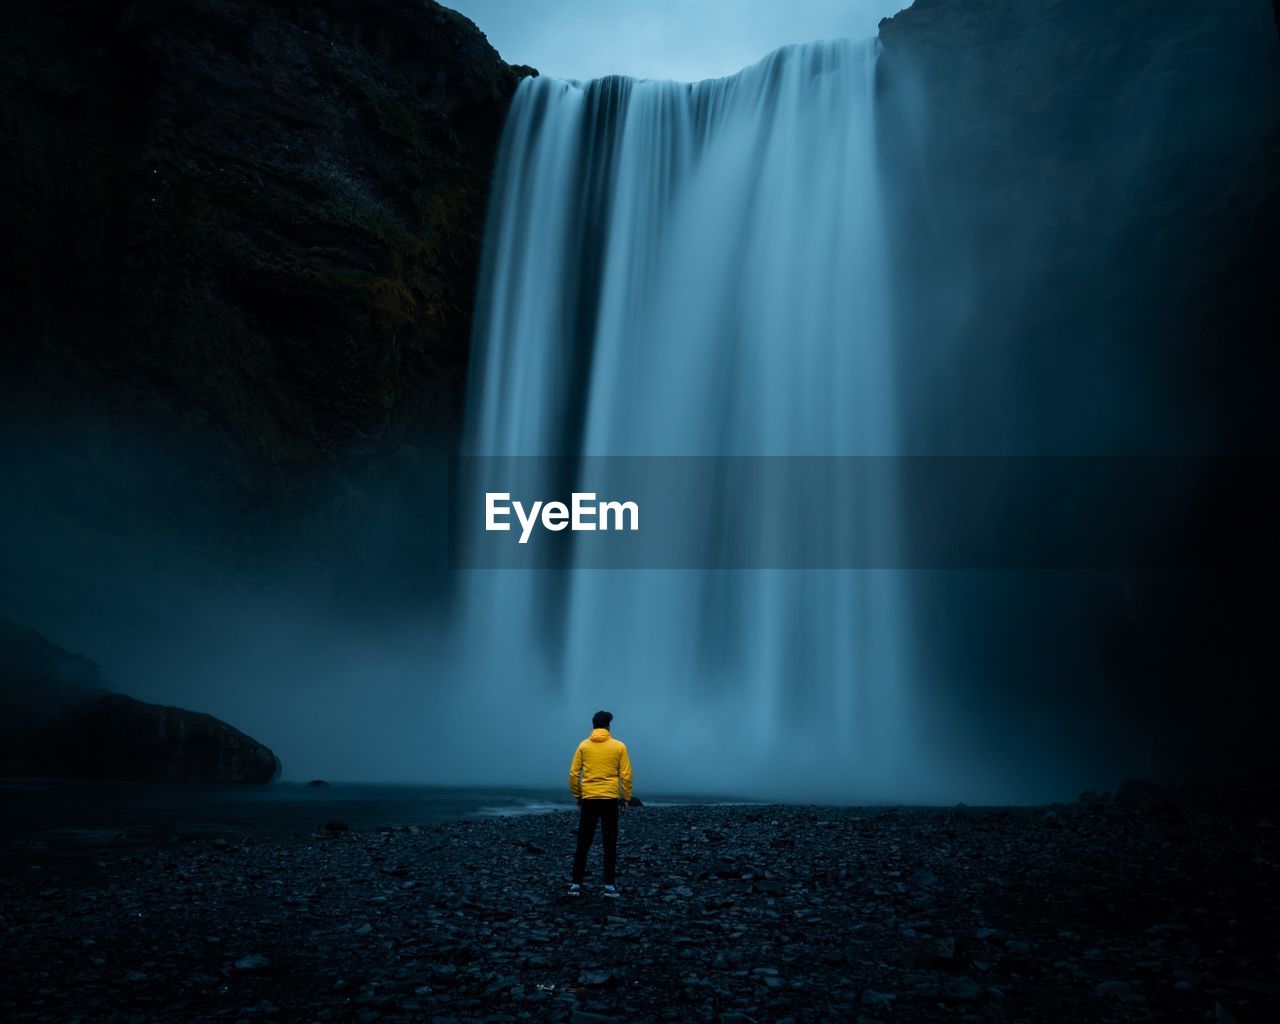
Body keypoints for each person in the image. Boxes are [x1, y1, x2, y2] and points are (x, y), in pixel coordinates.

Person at [567, 710, 632, 898]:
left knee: (583, 843)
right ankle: (609, 887)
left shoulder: (583, 746)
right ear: (608, 727)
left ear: (593, 726)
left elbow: (573, 774)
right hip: (610, 800)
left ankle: (575, 885)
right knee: (609, 843)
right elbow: (626, 775)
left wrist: (578, 795)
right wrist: (626, 798)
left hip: (589, 799)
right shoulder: (619, 747)